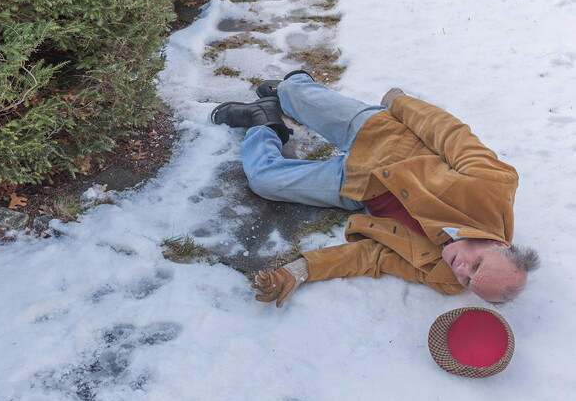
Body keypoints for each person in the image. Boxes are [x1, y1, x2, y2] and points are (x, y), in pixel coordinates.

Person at [211, 70, 539, 307]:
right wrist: (401, 104)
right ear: (499, 243)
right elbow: (450, 134)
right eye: (477, 263)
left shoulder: (446, 278)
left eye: (469, 281)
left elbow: (375, 257)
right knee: (293, 93)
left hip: (360, 187)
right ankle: (293, 85)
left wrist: (302, 270)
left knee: (264, 181)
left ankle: (262, 119)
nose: (462, 271)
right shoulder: (493, 185)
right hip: (384, 140)